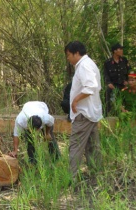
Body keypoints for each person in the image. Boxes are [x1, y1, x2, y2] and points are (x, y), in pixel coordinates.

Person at [64, 41, 102, 181]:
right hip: (91, 112)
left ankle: (71, 178)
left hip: (83, 113)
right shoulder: (89, 64)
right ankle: (96, 174)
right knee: (92, 146)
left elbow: (91, 87)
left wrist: (75, 100)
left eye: (69, 55)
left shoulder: (84, 66)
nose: (68, 58)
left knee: (75, 146)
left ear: (76, 53)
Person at [104, 43, 131, 116]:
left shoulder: (124, 60)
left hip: (123, 85)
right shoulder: (108, 62)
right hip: (113, 85)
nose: (122, 51)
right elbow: (106, 75)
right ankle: (107, 113)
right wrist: (109, 83)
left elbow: (129, 71)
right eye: (120, 49)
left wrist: (128, 80)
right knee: (108, 93)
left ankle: (129, 111)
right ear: (115, 51)